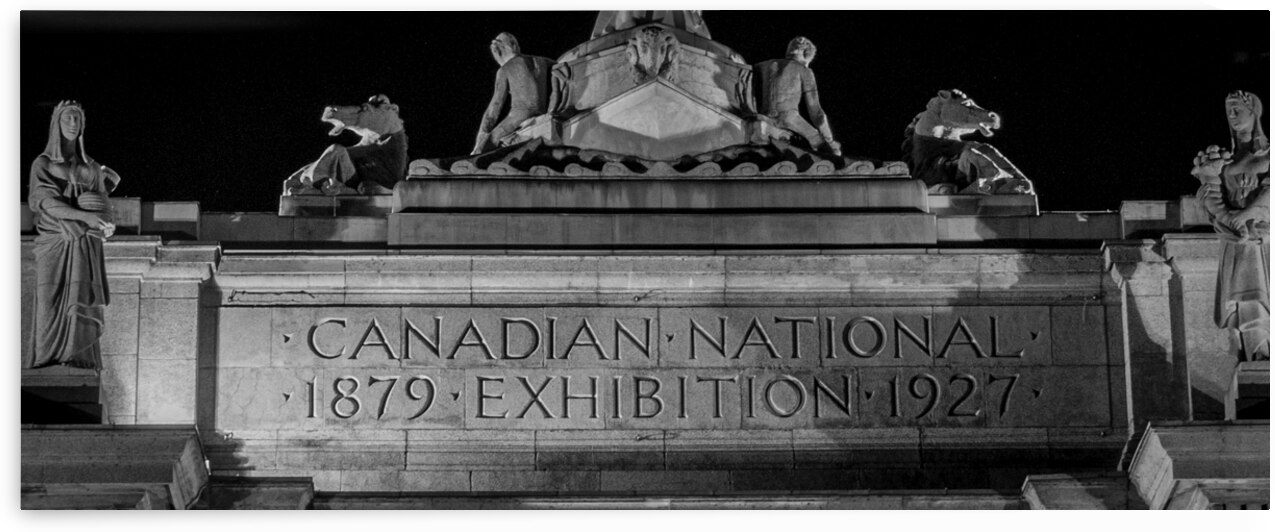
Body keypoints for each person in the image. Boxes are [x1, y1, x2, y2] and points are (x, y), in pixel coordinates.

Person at [26, 100, 120, 370]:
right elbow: (43, 201)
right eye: (67, 118)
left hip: (84, 245)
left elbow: (103, 208)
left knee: (80, 302)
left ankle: (78, 357)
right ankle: (46, 362)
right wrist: (85, 216)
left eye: (77, 119)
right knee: (49, 302)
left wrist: (105, 224)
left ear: (82, 126)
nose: (72, 124)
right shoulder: (42, 164)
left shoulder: (91, 168)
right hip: (54, 241)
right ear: (57, 123)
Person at [1191, 90, 1270, 362]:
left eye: (1237, 109)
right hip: (1235, 241)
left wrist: (1247, 213)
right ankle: (1255, 353)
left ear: (1254, 112)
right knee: (1245, 299)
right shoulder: (1226, 162)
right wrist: (1228, 218)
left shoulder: (1269, 155)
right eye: (1229, 112)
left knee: (1261, 294)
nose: (1233, 116)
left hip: (1264, 238)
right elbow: (1211, 199)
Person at [754, 37, 842, 156]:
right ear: (807, 56)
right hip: (789, 118)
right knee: (829, 151)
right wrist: (830, 141)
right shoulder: (804, 70)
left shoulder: (762, 65)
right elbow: (816, 112)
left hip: (763, 116)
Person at [470, 33, 552, 155]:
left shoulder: (505, 69)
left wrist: (481, 136)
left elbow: (494, 108)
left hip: (519, 116)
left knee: (485, 145)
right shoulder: (542, 61)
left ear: (498, 50)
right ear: (515, 46)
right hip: (541, 111)